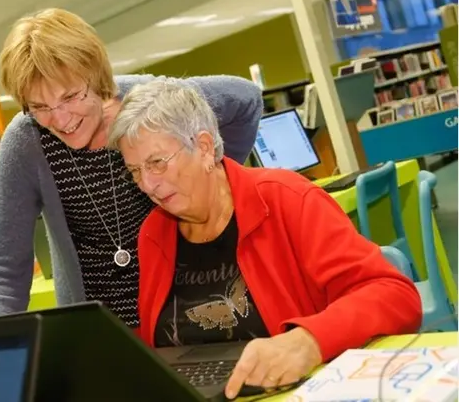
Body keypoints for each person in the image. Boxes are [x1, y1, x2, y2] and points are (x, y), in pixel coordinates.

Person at [108, 80, 422, 399]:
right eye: (134, 171)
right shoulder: (154, 232)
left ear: (203, 147)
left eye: (157, 163)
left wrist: (309, 340)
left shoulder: (288, 200)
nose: (147, 184)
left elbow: (393, 294)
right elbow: (156, 343)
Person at [0, 8, 264, 329]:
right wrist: (3, 349)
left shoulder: (151, 104)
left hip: (188, 318)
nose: (60, 120)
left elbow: (246, 99)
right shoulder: (26, 141)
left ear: (96, 76)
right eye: (40, 107)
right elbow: (6, 269)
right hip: (101, 335)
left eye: (72, 96)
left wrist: (210, 177)